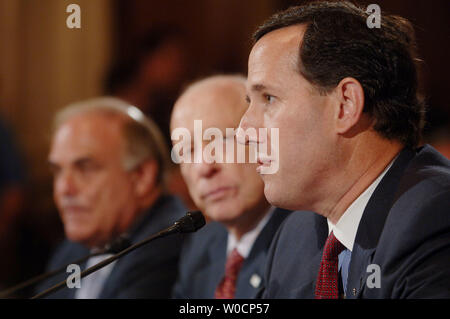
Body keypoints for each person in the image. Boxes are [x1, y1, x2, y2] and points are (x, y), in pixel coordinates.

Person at [238, 1, 450, 298]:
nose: (243, 131)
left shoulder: (434, 218)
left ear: (345, 105)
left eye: (269, 99)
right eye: (250, 103)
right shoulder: (294, 236)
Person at [36, 97, 186, 298]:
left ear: (141, 176)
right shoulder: (73, 250)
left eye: (85, 168)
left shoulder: (166, 243)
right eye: (58, 171)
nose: (64, 188)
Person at [170, 75, 291, 298]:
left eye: (221, 140)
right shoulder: (201, 247)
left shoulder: (307, 237)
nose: (204, 167)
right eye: (187, 151)